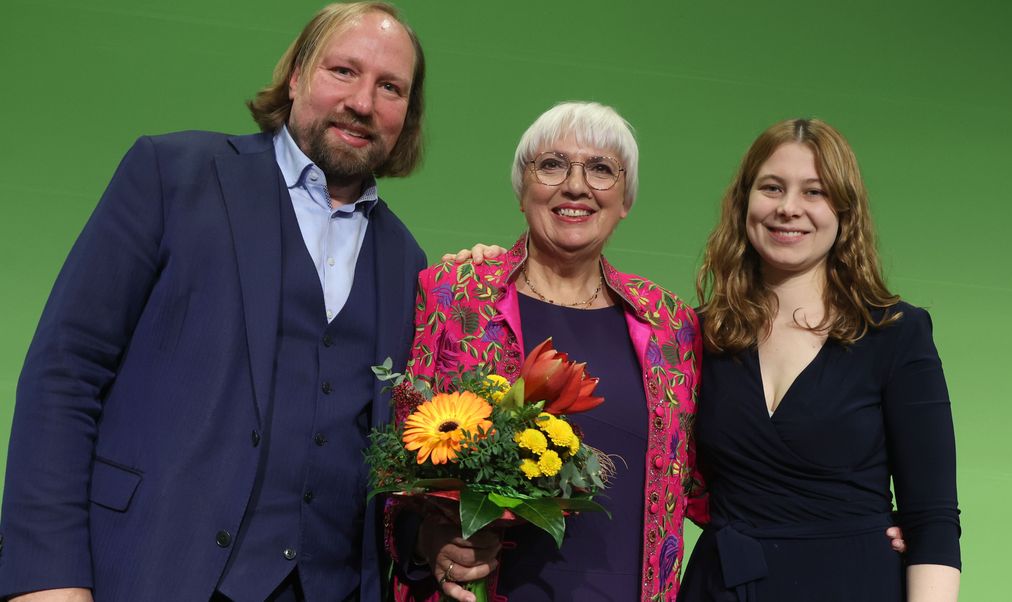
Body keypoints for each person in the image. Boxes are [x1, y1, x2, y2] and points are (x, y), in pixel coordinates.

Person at [0, 3, 427, 600]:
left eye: (390, 87)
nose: (363, 102)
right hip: (149, 571)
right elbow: (65, 373)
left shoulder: (409, 262)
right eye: (343, 71)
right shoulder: (172, 174)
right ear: (298, 74)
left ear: (407, 114)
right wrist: (47, 579)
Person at [386, 101, 706, 601]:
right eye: (552, 165)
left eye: (601, 169)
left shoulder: (670, 324)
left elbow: (712, 478)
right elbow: (396, 462)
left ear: (625, 200)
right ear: (523, 189)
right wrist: (429, 542)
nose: (575, 185)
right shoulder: (454, 293)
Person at [678, 118, 961, 601]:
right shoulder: (696, 334)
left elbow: (932, 519)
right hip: (721, 586)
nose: (789, 208)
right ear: (744, 200)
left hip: (853, 584)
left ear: (844, 210)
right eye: (772, 188)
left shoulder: (896, 333)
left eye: (815, 192)